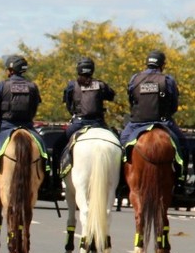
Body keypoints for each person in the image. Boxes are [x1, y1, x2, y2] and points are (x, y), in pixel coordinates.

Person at [119, 49, 187, 186]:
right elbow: (173, 104)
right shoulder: (167, 80)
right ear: (162, 64)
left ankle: (121, 180)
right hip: (163, 123)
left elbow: (131, 100)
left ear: (147, 63)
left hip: (137, 123)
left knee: (121, 143)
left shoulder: (135, 79)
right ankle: (181, 178)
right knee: (183, 144)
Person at [0, 55, 45, 174]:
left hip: (4, 127)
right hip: (28, 127)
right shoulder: (32, 86)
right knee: (43, 152)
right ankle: (47, 180)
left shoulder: (1, 86)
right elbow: (35, 107)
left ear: (11, 71)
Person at [52, 57, 115, 183]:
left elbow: (68, 104)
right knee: (117, 144)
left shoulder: (72, 85)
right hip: (99, 124)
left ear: (78, 70)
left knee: (57, 146)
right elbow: (111, 96)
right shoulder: (101, 85)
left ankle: (55, 179)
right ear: (92, 70)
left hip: (79, 123)